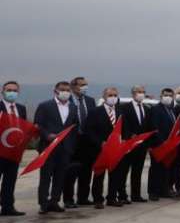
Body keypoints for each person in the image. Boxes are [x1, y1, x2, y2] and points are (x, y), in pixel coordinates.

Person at [33, 81, 79, 213]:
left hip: (65, 148)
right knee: (46, 176)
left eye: (67, 90)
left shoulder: (73, 108)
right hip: (48, 147)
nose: (65, 92)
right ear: (56, 91)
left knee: (60, 176)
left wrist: (72, 145)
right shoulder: (45, 106)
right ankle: (43, 203)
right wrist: (47, 135)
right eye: (62, 90)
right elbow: (38, 124)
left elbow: (74, 127)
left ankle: (54, 201)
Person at [85, 88, 121, 208]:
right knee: (99, 174)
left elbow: (125, 128)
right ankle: (98, 199)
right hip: (99, 148)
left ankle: (112, 197)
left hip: (115, 149)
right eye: (110, 95)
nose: (113, 97)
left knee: (115, 174)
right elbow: (89, 130)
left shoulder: (121, 111)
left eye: (115, 95)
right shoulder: (95, 112)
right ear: (104, 96)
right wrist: (100, 142)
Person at [63, 76, 95, 209]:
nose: (84, 87)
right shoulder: (67, 100)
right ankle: (68, 199)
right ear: (73, 87)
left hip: (87, 142)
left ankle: (83, 198)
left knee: (86, 172)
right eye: (81, 85)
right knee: (71, 172)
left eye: (86, 85)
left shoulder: (90, 101)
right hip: (72, 141)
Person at [120, 85, 153, 203]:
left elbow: (149, 127)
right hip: (129, 144)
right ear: (133, 93)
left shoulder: (147, 109)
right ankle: (122, 195)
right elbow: (123, 124)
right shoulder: (125, 108)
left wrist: (148, 143)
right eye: (138, 92)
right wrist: (129, 136)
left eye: (143, 92)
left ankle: (136, 195)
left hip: (142, 145)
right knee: (124, 171)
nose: (141, 94)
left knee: (137, 171)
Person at [0, 81, 28, 216]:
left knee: (10, 180)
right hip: (0, 150)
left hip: (14, 151)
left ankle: (7, 206)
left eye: (15, 90)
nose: (12, 92)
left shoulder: (21, 108)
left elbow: (23, 127)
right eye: (9, 90)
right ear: (2, 91)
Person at [148, 87, 177, 201]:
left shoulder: (172, 110)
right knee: (155, 168)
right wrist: (162, 141)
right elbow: (154, 128)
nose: (168, 97)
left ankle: (164, 190)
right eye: (166, 95)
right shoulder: (156, 109)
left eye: (170, 95)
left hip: (170, 145)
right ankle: (153, 192)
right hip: (158, 144)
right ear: (161, 96)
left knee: (166, 168)